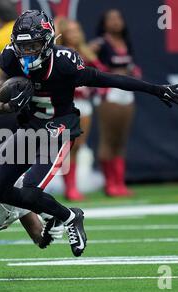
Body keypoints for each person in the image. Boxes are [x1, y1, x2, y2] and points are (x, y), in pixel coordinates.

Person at [0, 10, 178, 257]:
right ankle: (67, 215)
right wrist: (8, 105)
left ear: (48, 42)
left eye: (34, 45)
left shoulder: (64, 63)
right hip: (29, 129)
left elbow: (107, 79)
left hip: (57, 129)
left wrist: (155, 89)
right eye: (23, 46)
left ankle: (58, 214)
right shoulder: (10, 58)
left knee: (29, 190)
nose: (27, 52)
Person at [90, 9, 142, 197]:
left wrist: (134, 72)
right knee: (108, 138)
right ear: (104, 24)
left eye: (119, 18)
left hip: (126, 93)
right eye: (111, 19)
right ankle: (109, 183)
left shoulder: (125, 42)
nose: (116, 22)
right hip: (109, 93)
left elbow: (133, 65)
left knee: (121, 139)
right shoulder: (101, 43)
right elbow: (87, 59)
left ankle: (120, 182)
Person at [55, 18, 103, 201]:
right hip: (66, 104)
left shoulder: (86, 53)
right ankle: (69, 187)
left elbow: (99, 72)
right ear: (63, 33)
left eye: (77, 30)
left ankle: (73, 185)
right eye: (70, 31)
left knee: (79, 146)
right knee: (67, 146)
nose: (74, 34)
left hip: (84, 103)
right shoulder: (58, 53)